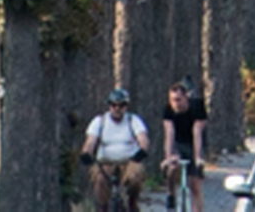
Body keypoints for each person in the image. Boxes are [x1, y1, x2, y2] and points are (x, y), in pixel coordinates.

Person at [82, 87, 152, 212]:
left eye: (121, 105)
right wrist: (87, 153)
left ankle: (132, 204)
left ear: (126, 106)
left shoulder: (133, 120)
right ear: (109, 106)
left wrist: (141, 152)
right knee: (99, 179)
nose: (117, 109)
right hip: (105, 162)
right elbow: (90, 141)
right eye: (113, 105)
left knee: (136, 177)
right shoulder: (99, 121)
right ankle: (102, 207)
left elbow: (143, 139)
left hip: (129, 161)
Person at [161, 81, 209, 212]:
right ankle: (171, 193)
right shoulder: (168, 109)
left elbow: (197, 131)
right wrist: (168, 157)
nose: (175, 103)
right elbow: (169, 133)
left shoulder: (196, 107)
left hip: (194, 142)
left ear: (186, 98)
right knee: (172, 167)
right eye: (172, 100)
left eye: (178, 100)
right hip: (178, 142)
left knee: (195, 185)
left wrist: (198, 157)